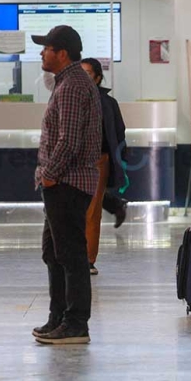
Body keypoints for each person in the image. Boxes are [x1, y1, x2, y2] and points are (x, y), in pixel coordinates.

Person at [31, 26, 102, 344]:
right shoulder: (66, 83)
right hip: (60, 182)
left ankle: (76, 323)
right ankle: (58, 316)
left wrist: (50, 174)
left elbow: (69, 140)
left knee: (71, 254)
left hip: (67, 183)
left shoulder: (72, 85)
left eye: (46, 48)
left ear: (62, 53)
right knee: (53, 252)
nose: (42, 53)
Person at [81, 58, 128, 275]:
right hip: (73, 160)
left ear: (98, 77)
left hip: (99, 159)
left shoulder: (108, 103)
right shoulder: (69, 97)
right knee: (72, 209)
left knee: (92, 211)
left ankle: (88, 259)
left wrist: (118, 160)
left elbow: (119, 133)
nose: (84, 77)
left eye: (88, 73)